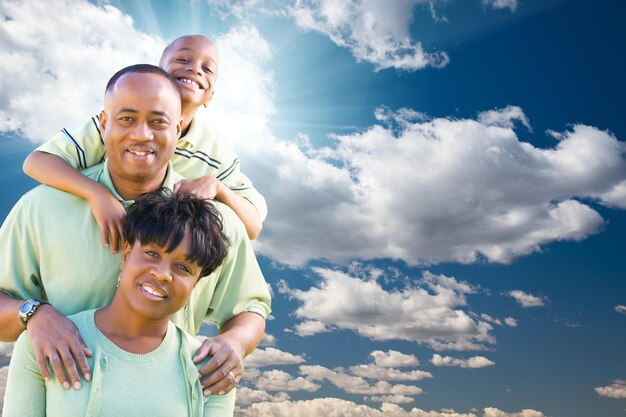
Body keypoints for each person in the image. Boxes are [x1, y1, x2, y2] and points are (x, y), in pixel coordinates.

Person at [0, 64, 270, 398]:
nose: (142, 134)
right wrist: (34, 314)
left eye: (158, 122)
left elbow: (250, 308)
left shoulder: (217, 222)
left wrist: (235, 342)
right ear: (103, 123)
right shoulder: (40, 208)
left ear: (179, 126)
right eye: (126, 119)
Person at [3, 191, 236, 417]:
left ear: (195, 284)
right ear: (125, 255)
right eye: (152, 253)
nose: (163, 274)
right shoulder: (45, 342)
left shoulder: (212, 369)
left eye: (184, 268)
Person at [22, 34, 266, 248]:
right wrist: (97, 194)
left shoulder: (215, 150)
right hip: (89, 236)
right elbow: (37, 162)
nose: (195, 69)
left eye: (208, 68)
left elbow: (253, 227)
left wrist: (218, 187)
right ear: (157, 73)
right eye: (183, 60)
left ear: (210, 96)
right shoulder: (117, 124)